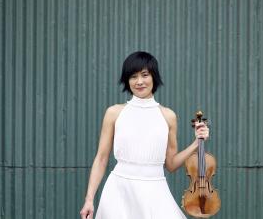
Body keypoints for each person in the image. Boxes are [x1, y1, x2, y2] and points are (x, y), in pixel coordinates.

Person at [80, 51, 209, 219]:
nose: (139, 81)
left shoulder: (168, 116)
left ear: (154, 77)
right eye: (133, 77)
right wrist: (89, 199)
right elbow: (101, 158)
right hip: (119, 191)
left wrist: (196, 143)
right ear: (127, 80)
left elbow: (170, 164)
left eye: (145, 75)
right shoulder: (114, 113)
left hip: (156, 190)